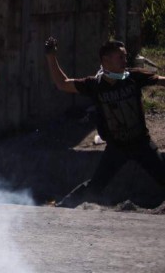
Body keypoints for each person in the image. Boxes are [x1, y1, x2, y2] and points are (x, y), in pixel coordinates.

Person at [44, 37, 165, 207]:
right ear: (106, 60)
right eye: (120, 57)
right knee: (95, 187)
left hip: (141, 143)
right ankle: (62, 208)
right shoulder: (96, 85)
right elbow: (62, 84)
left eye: (125, 57)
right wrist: (51, 57)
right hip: (117, 148)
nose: (124, 61)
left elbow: (161, 80)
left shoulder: (134, 77)